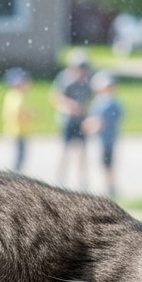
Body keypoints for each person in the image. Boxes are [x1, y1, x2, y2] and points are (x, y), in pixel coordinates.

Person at [50, 48, 93, 189]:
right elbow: (56, 98)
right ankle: (61, 179)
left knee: (82, 152)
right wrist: (70, 106)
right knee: (66, 151)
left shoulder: (87, 82)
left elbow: (92, 99)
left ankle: (82, 181)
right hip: (68, 120)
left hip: (82, 120)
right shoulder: (66, 79)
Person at [83, 71, 124, 197]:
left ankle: (111, 187)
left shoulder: (113, 104)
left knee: (107, 164)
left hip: (107, 140)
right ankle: (103, 187)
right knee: (99, 164)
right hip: (98, 139)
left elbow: (106, 122)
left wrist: (94, 125)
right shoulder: (98, 101)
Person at [2, 67, 34, 172]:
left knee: (19, 155)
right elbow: (16, 114)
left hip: (16, 130)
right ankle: (14, 175)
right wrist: (31, 116)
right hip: (18, 131)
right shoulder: (18, 96)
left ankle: (15, 173)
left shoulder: (11, 95)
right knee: (20, 156)